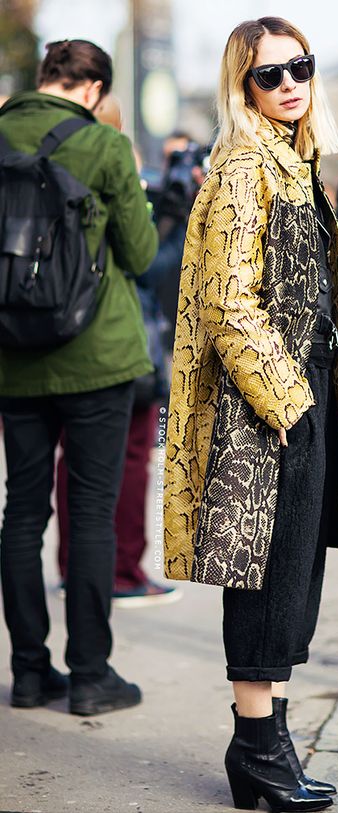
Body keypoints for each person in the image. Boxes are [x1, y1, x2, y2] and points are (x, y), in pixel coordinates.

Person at [163, 16, 338, 812]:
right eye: (271, 74)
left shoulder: (298, 165)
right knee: (264, 577)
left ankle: (268, 747)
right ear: (243, 85)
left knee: (295, 574)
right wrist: (289, 404)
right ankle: (258, 748)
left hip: (305, 395)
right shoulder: (242, 167)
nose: (290, 83)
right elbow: (228, 304)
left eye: (301, 66)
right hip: (267, 411)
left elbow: (302, 301)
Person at [0, 40, 158, 714]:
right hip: (97, 355)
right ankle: (91, 676)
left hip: (12, 355)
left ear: (45, 79)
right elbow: (141, 254)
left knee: (22, 511)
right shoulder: (104, 145)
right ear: (93, 90)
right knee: (91, 513)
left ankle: (29, 672)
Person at [55, 94, 177, 607]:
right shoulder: (114, 157)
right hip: (118, 338)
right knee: (129, 457)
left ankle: (72, 567)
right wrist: (176, 224)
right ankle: (123, 570)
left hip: (59, 339)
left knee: (71, 459)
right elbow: (142, 262)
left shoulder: (48, 159)